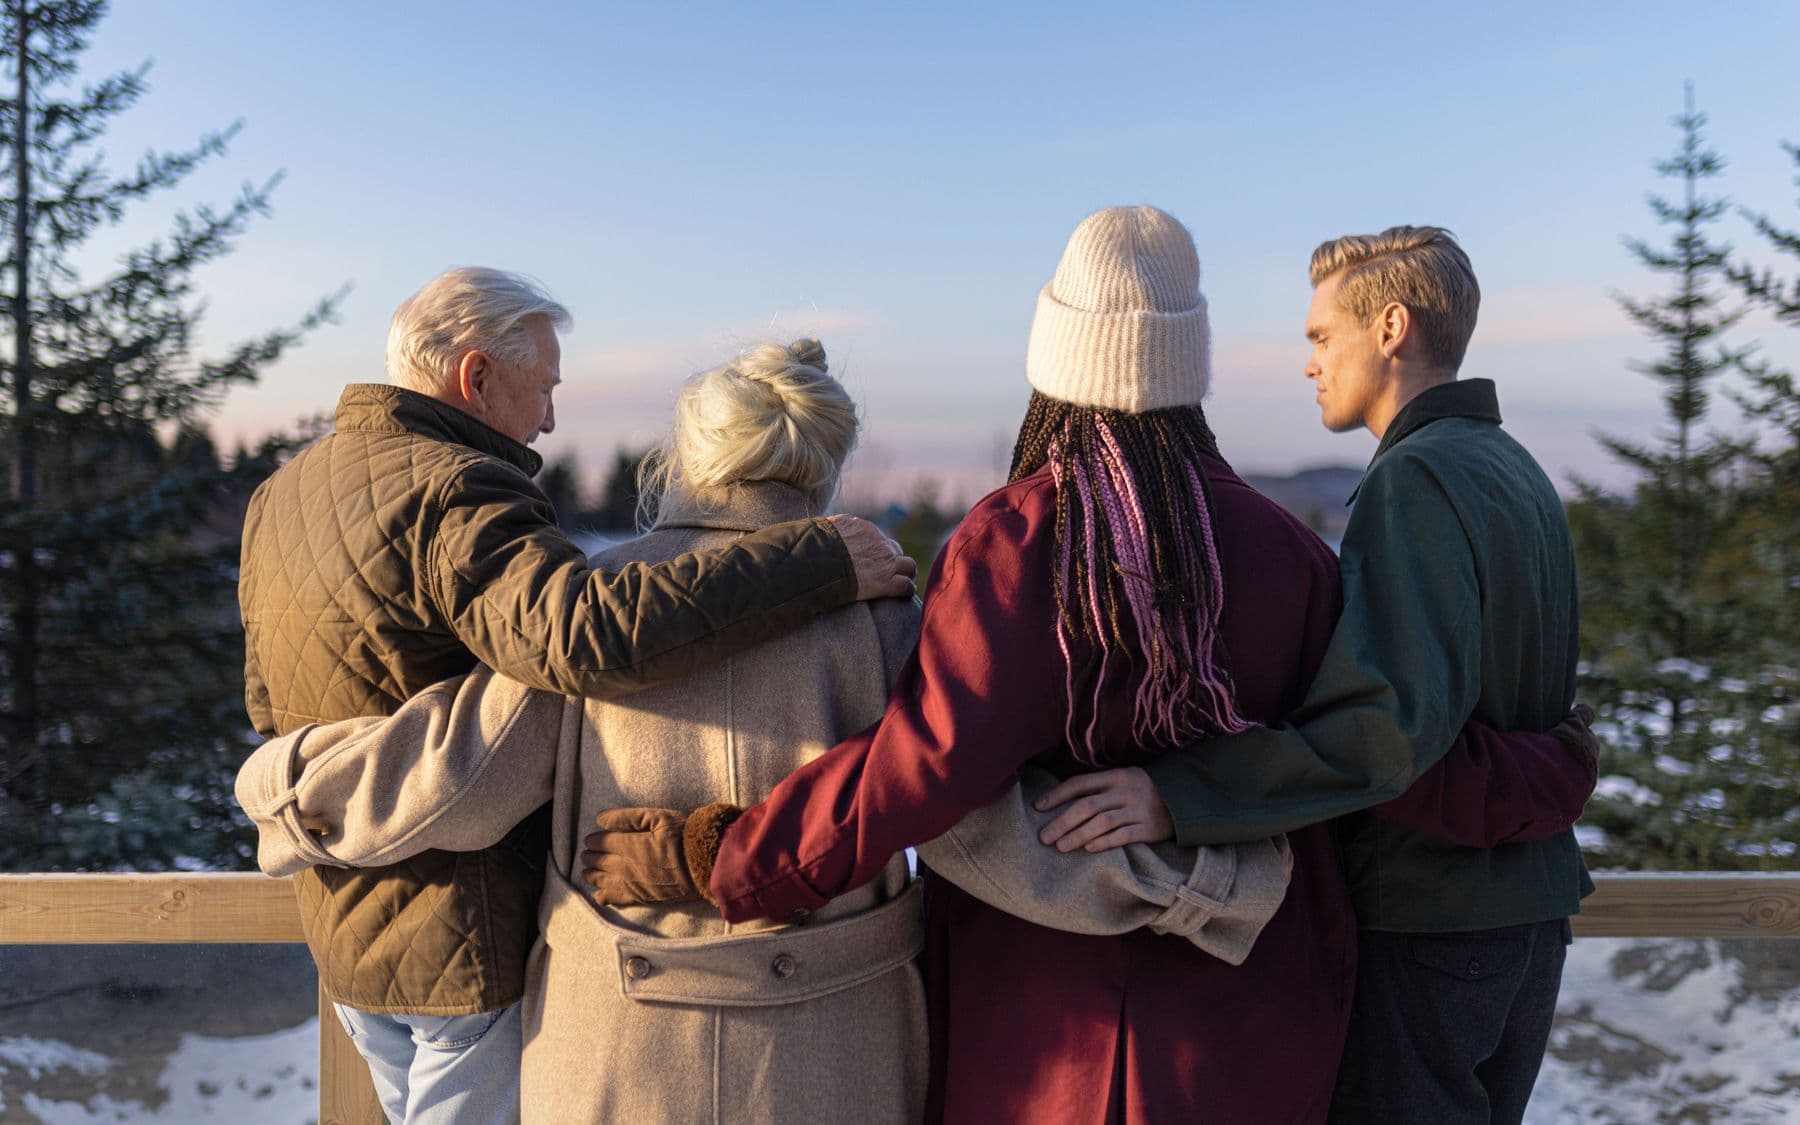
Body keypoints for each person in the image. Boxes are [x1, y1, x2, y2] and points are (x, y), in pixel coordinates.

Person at [582, 209, 1598, 1123]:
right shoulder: (1291, 553)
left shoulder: (1023, 542)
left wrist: (729, 858)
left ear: (1059, 359)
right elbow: (1359, 756)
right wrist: (1551, 769)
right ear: (1188, 365)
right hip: (1260, 1016)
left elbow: (922, 766)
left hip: (1051, 1035)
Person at [236, 338, 1285, 1124]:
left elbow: (458, 773)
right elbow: (976, 827)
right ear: (822, 459)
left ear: (691, 454)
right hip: (834, 1053)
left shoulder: (604, 610)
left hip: (616, 1054)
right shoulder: (884, 613)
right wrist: (1207, 883)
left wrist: (282, 789)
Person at [237, 272, 913, 1125]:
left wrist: (289, 795)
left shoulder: (281, 494)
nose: (550, 419)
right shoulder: (459, 488)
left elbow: (266, 703)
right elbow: (581, 640)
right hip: (468, 937)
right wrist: (817, 559)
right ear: (477, 376)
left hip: (346, 928)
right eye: (544, 388)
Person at [1036, 226, 1589, 1124]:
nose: (1310, 363)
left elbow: (1383, 732)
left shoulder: (1416, 477)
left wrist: (1181, 795)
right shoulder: (1518, 471)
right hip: (1531, 918)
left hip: (1432, 917)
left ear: (1392, 328)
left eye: (1323, 336)